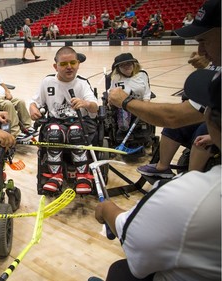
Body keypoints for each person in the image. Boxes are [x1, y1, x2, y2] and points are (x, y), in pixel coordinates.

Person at [91, 68, 221, 281]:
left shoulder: (189, 197)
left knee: (120, 271)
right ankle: (162, 165)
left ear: (209, 117)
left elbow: (134, 241)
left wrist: (106, 209)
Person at [107, 0, 221, 129]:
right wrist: (211, 61)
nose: (199, 51)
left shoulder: (142, 74)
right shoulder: (115, 77)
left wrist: (127, 102)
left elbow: (172, 117)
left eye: (204, 41)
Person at [29, 46, 100, 194]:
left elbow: (95, 107)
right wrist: (33, 109)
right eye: (63, 64)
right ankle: (55, 176)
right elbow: (34, 102)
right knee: (54, 133)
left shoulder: (82, 83)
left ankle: (83, 176)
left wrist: (85, 103)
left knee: (75, 133)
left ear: (78, 64)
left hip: (79, 122)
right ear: (55, 66)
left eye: (73, 63)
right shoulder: (47, 82)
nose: (69, 67)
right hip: (56, 122)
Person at [108, 53, 151, 132]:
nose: (126, 67)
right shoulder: (115, 78)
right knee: (123, 124)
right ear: (118, 68)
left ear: (133, 64)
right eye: (122, 65)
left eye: (129, 64)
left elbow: (147, 93)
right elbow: (111, 93)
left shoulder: (142, 74)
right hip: (123, 106)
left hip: (140, 104)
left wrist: (145, 106)